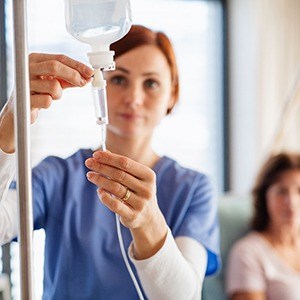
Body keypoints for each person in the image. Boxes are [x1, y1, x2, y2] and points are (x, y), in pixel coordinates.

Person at [0, 25, 220, 299]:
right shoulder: (58, 175)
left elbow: (185, 295)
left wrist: (148, 221)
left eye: (151, 83)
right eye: (118, 80)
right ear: (99, 84)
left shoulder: (193, 189)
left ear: (172, 94)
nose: (134, 99)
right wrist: (8, 127)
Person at [226, 152, 300, 300]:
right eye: (281, 191)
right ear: (264, 197)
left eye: (299, 191)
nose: (291, 201)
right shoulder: (248, 253)